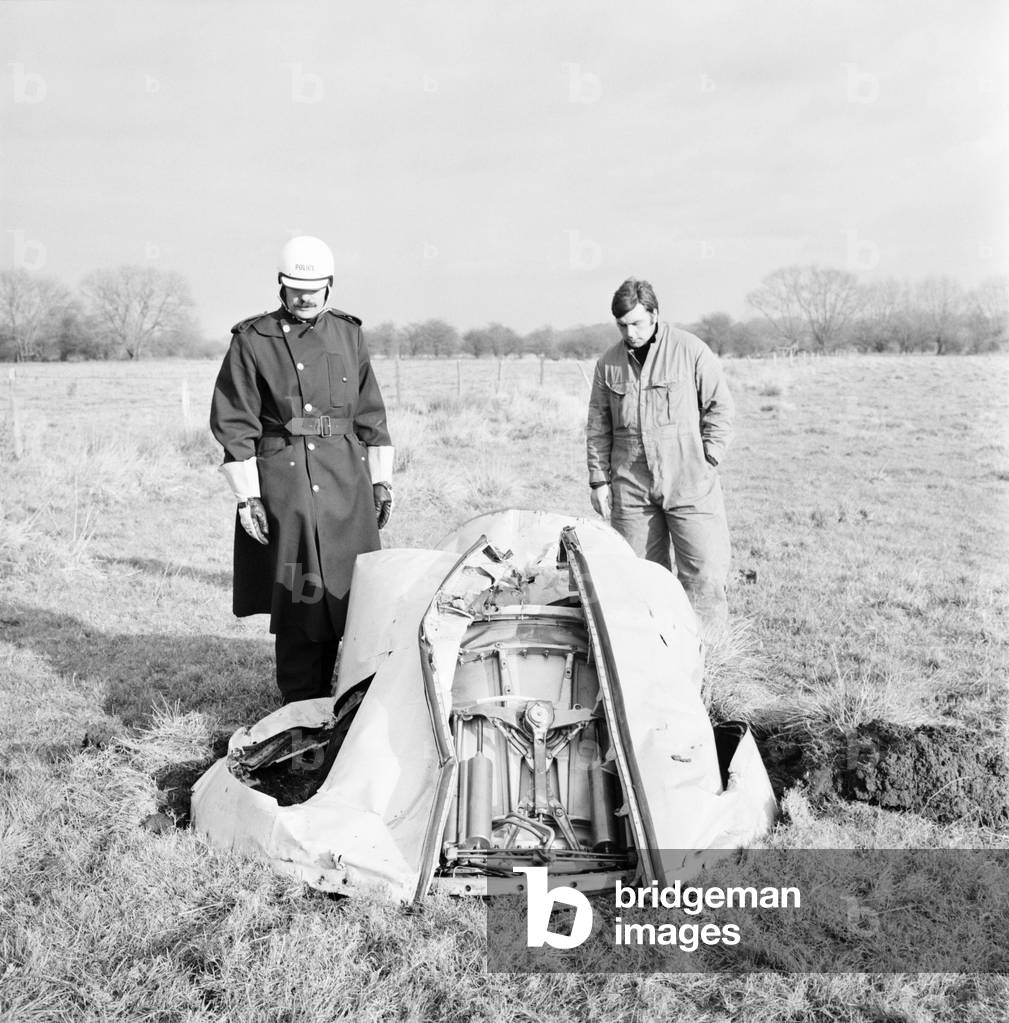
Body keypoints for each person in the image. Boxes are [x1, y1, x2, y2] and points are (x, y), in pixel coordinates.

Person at [211, 236, 394, 703]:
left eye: (313, 288)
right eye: (295, 288)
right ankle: (300, 706)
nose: (305, 297)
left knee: (353, 591)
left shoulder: (349, 333)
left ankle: (353, 696)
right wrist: (248, 496)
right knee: (299, 597)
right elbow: (234, 420)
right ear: (281, 284)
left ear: (329, 285)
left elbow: (370, 412)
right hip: (287, 481)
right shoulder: (253, 339)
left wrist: (381, 479)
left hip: (346, 478)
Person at [586, 277, 734, 633]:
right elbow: (598, 426)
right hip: (631, 488)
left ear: (654, 314)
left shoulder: (690, 350)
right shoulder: (608, 365)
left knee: (704, 575)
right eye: (622, 325)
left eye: (637, 323)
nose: (630, 333)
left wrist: (708, 458)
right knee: (639, 579)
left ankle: (709, 655)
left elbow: (720, 408)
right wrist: (599, 481)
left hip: (690, 482)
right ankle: (652, 653)